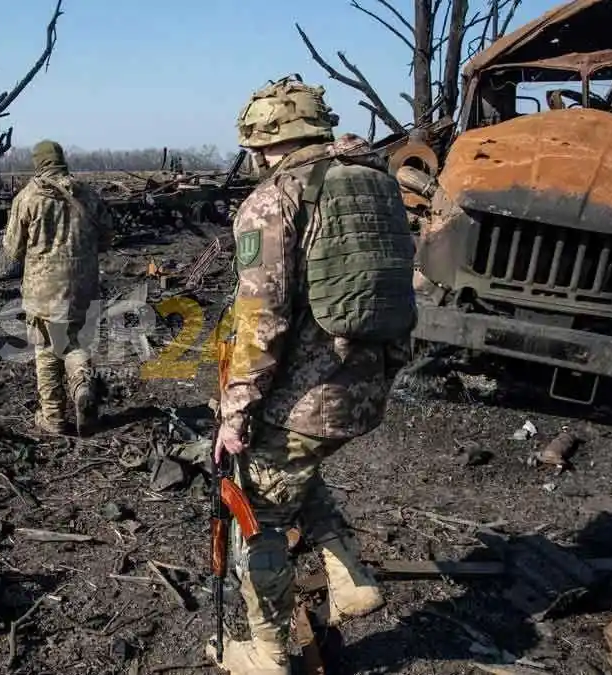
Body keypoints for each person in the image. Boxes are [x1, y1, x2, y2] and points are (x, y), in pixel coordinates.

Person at [209, 75, 416, 673]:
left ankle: (268, 651)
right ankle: (351, 575)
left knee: (257, 511)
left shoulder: (273, 201)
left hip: (304, 397)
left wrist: (235, 413)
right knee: (295, 470)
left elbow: (261, 321)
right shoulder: (375, 183)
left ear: (259, 138)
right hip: (365, 384)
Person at [0, 140, 113, 436]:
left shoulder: (28, 198)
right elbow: (107, 238)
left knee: (46, 350)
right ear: (62, 160)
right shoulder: (87, 194)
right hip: (84, 287)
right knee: (76, 344)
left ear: (38, 163)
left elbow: (12, 249)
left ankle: (53, 417)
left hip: (43, 291)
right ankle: (82, 387)